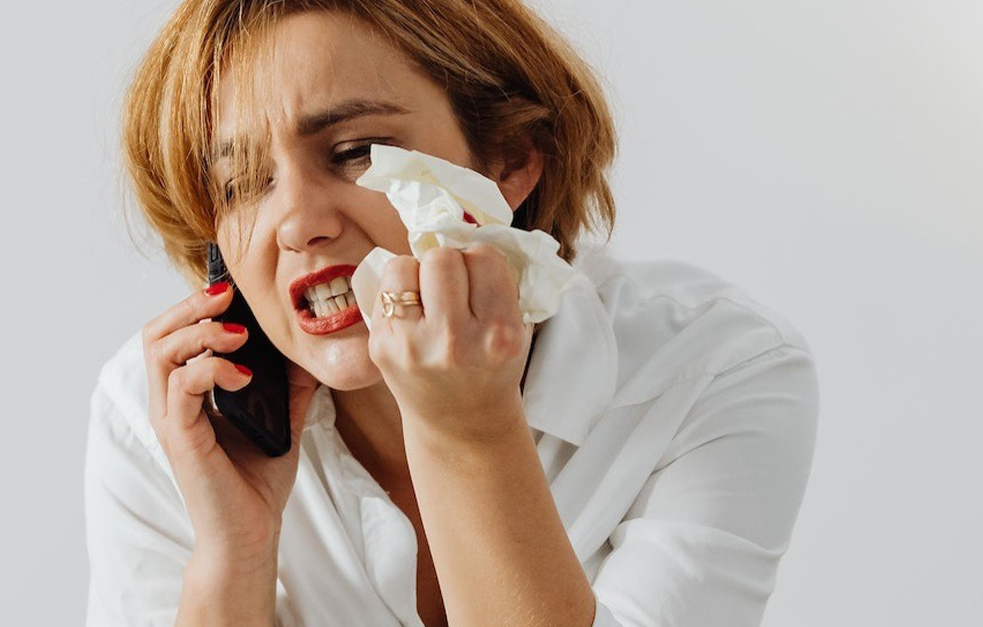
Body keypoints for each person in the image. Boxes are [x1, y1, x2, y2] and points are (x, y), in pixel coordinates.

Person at [84, 1, 819, 626]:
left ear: (506, 161)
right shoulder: (163, 420)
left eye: (355, 151)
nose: (296, 221)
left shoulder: (711, 369)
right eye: (243, 182)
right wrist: (232, 560)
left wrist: (469, 428)